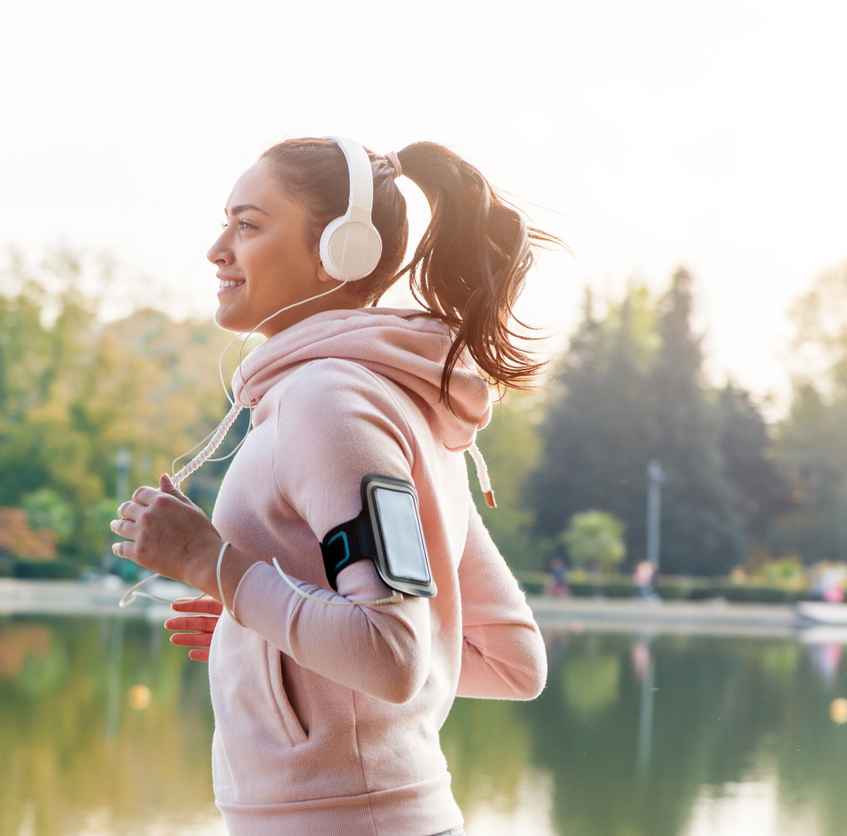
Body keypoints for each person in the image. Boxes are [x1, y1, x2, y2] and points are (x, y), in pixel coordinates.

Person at [109, 138, 549, 836]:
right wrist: (263, 622)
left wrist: (211, 565)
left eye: (249, 224)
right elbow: (510, 658)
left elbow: (395, 656)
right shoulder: (392, 403)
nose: (218, 248)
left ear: (338, 252)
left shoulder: (328, 402)